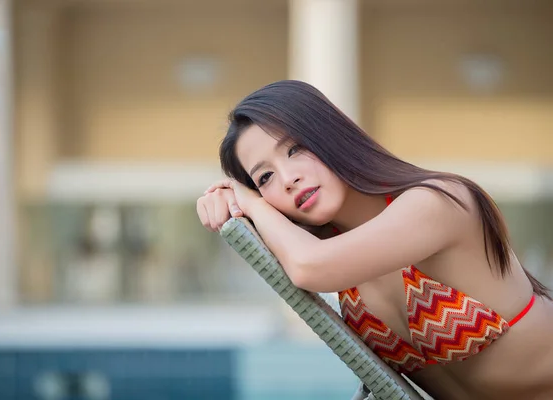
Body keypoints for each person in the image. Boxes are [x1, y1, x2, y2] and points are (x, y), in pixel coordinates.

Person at [195, 80, 553, 400]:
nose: (287, 178)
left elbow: (310, 267)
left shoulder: (438, 201)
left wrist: (252, 201)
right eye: (265, 177)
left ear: (330, 135)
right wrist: (242, 204)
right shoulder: (329, 249)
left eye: (295, 149)